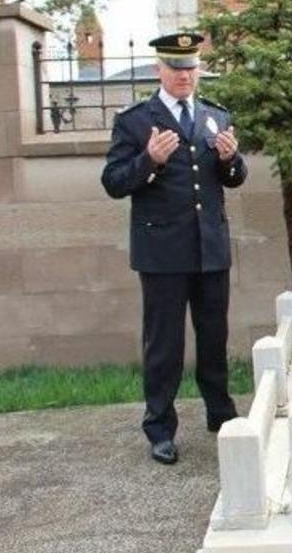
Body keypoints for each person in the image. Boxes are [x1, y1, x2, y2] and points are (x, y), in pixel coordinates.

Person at [101, 32, 246, 465]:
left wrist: (230, 159)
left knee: (214, 336)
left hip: (210, 247)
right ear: (158, 71)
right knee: (164, 344)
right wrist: (149, 160)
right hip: (163, 251)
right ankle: (160, 427)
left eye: (190, 67)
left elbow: (234, 179)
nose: (184, 76)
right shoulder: (134, 121)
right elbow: (113, 182)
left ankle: (220, 414)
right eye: (175, 68)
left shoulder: (214, 116)